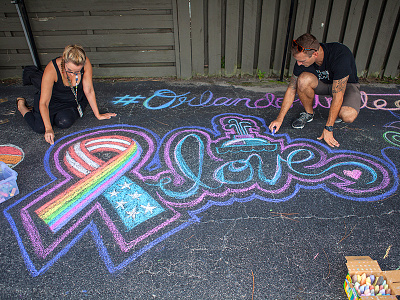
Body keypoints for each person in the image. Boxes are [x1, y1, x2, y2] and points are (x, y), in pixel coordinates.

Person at [268, 33, 361, 148]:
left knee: (347, 116)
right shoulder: (302, 59)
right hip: (324, 84)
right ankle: (308, 113)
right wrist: (279, 119)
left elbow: (338, 95)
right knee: (302, 80)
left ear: (315, 54)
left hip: (346, 86)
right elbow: (292, 89)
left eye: (302, 61)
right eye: (297, 60)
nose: (299, 64)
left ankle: (337, 113)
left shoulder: (340, 54)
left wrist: (328, 128)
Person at [17, 44, 116, 145]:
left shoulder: (85, 63)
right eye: (69, 70)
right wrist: (48, 128)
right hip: (51, 100)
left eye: (77, 71)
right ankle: (22, 106)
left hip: (71, 99)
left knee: (64, 122)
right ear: (64, 60)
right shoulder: (52, 68)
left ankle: (49, 116)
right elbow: (44, 102)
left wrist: (98, 115)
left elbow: (89, 90)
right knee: (40, 128)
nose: (73, 74)